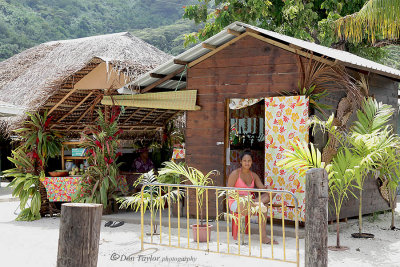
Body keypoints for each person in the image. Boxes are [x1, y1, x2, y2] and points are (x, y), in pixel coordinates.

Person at [227, 150, 278, 244]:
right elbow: (229, 192)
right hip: (237, 202)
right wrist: (243, 197)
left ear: (252, 162)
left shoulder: (253, 175)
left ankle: (263, 237)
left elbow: (262, 188)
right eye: (245, 161)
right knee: (264, 206)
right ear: (241, 162)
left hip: (251, 202)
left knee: (271, 194)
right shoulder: (235, 174)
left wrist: (269, 188)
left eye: (249, 161)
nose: (247, 163)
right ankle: (257, 204)